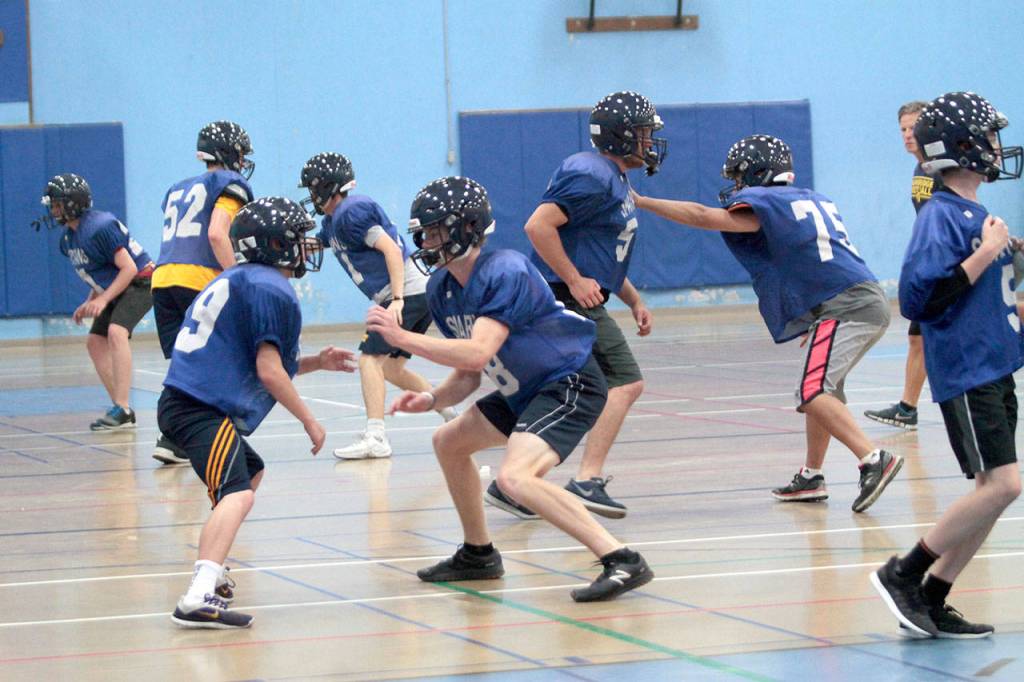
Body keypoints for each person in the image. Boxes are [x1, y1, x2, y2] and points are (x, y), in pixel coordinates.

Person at [367, 176, 652, 601]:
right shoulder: (441, 288)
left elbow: (479, 353)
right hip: (525, 389)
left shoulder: (505, 270)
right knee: (448, 441)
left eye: (435, 230)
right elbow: (467, 374)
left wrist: (404, 339)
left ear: (466, 229)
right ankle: (478, 554)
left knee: (515, 478)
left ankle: (621, 558)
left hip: (567, 381)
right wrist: (432, 399)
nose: (426, 241)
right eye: (423, 232)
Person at [635, 135, 903, 513]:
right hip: (854, 300)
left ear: (759, 172)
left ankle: (873, 458)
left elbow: (702, 216)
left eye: (741, 177)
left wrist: (642, 201)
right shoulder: (810, 197)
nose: (738, 185)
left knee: (812, 391)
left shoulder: (768, 203)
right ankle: (812, 475)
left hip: (847, 305)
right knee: (824, 393)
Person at [161, 196, 356, 629]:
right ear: (275, 244)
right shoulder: (271, 287)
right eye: (297, 239)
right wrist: (309, 418)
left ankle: (212, 568)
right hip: (198, 407)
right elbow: (269, 372)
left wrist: (316, 363)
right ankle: (199, 591)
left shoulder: (242, 278)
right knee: (239, 493)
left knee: (249, 472)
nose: (306, 247)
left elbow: (260, 362)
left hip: (189, 401)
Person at [871, 92, 1022, 638]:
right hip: (968, 370)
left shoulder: (976, 214)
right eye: (987, 139)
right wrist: (984, 255)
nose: (996, 149)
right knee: (1004, 487)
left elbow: (987, 298)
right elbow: (918, 298)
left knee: (993, 491)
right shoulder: (940, 213)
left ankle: (933, 596)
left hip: (995, 365)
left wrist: (1006, 260)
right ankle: (903, 573)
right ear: (961, 147)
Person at [517, 91, 666, 520]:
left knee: (573, 393)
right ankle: (586, 479)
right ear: (621, 136)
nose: (649, 142)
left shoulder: (614, 178)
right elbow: (538, 225)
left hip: (571, 293)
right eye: (643, 133)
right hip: (562, 296)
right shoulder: (592, 173)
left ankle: (519, 482)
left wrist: (633, 298)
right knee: (625, 381)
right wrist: (573, 279)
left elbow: (599, 253)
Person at [298, 153, 456, 460]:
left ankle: (376, 436)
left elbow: (391, 251)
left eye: (313, 189)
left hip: (405, 293)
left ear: (329, 187)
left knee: (369, 360)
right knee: (392, 369)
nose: (312, 196)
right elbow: (318, 243)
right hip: (415, 292)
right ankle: (455, 418)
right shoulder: (334, 221)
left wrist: (396, 299)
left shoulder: (351, 212)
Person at [150, 120, 255, 464]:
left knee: (183, 362)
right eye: (240, 152)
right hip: (199, 278)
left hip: (163, 278)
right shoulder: (230, 183)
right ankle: (215, 430)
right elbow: (215, 234)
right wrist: (237, 277)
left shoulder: (176, 188)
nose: (242, 160)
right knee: (226, 354)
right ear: (229, 152)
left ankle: (172, 437)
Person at [39, 173, 155, 430]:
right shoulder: (68, 239)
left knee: (116, 332)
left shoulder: (99, 227)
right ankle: (120, 408)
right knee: (94, 342)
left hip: (142, 280)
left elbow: (128, 269)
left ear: (72, 203)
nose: (53, 209)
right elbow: (99, 271)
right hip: (120, 285)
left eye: (57, 203)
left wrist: (103, 299)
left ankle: (123, 407)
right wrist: (90, 300)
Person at [864, 101, 946, 430]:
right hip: (926, 266)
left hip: (944, 269)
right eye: (903, 129)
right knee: (918, 339)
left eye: (914, 128)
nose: (908, 135)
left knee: (929, 338)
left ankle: (911, 407)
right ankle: (907, 409)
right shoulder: (919, 169)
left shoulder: (943, 169)